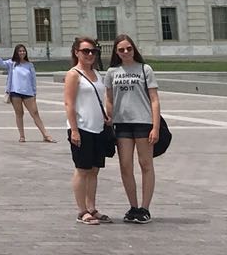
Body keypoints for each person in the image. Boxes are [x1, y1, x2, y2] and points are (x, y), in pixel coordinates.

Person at [106, 35, 160, 223]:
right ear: (116, 52)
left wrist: (156, 126)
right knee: (125, 165)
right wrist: (109, 118)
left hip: (143, 121)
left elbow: (154, 99)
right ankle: (133, 206)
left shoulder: (145, 69)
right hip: (122, 123)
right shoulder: (112, 72)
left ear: (134, 49)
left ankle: (145, 208)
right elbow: (109, 99)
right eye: (121, 50)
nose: (126, 52)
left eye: (128, 48)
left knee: (146, 164)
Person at [64, 37, 111, 225]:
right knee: (82, 169)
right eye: (85, 51)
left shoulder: (98, 74)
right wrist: (74, 129)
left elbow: (102, 98)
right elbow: (69, 103)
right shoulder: (74, 74)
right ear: (76, 52)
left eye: (93, 51)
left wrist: (107, 117)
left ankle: (92, 207)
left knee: (94, 170)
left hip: (98, 127)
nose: (90, 54)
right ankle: (81, 210)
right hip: (81, 128)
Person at [0, 41, 53, 142]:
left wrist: (34, 93)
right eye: (20, 51)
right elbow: (0, 63)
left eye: (23, 51)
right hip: (15, 93)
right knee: (19, 114)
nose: (22, 53)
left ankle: (46, 134)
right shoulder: (12, 63)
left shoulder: (29, 65)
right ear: (16, 52)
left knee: (35, 113)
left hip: (28, 93)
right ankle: (22, 136)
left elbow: (33, 80)